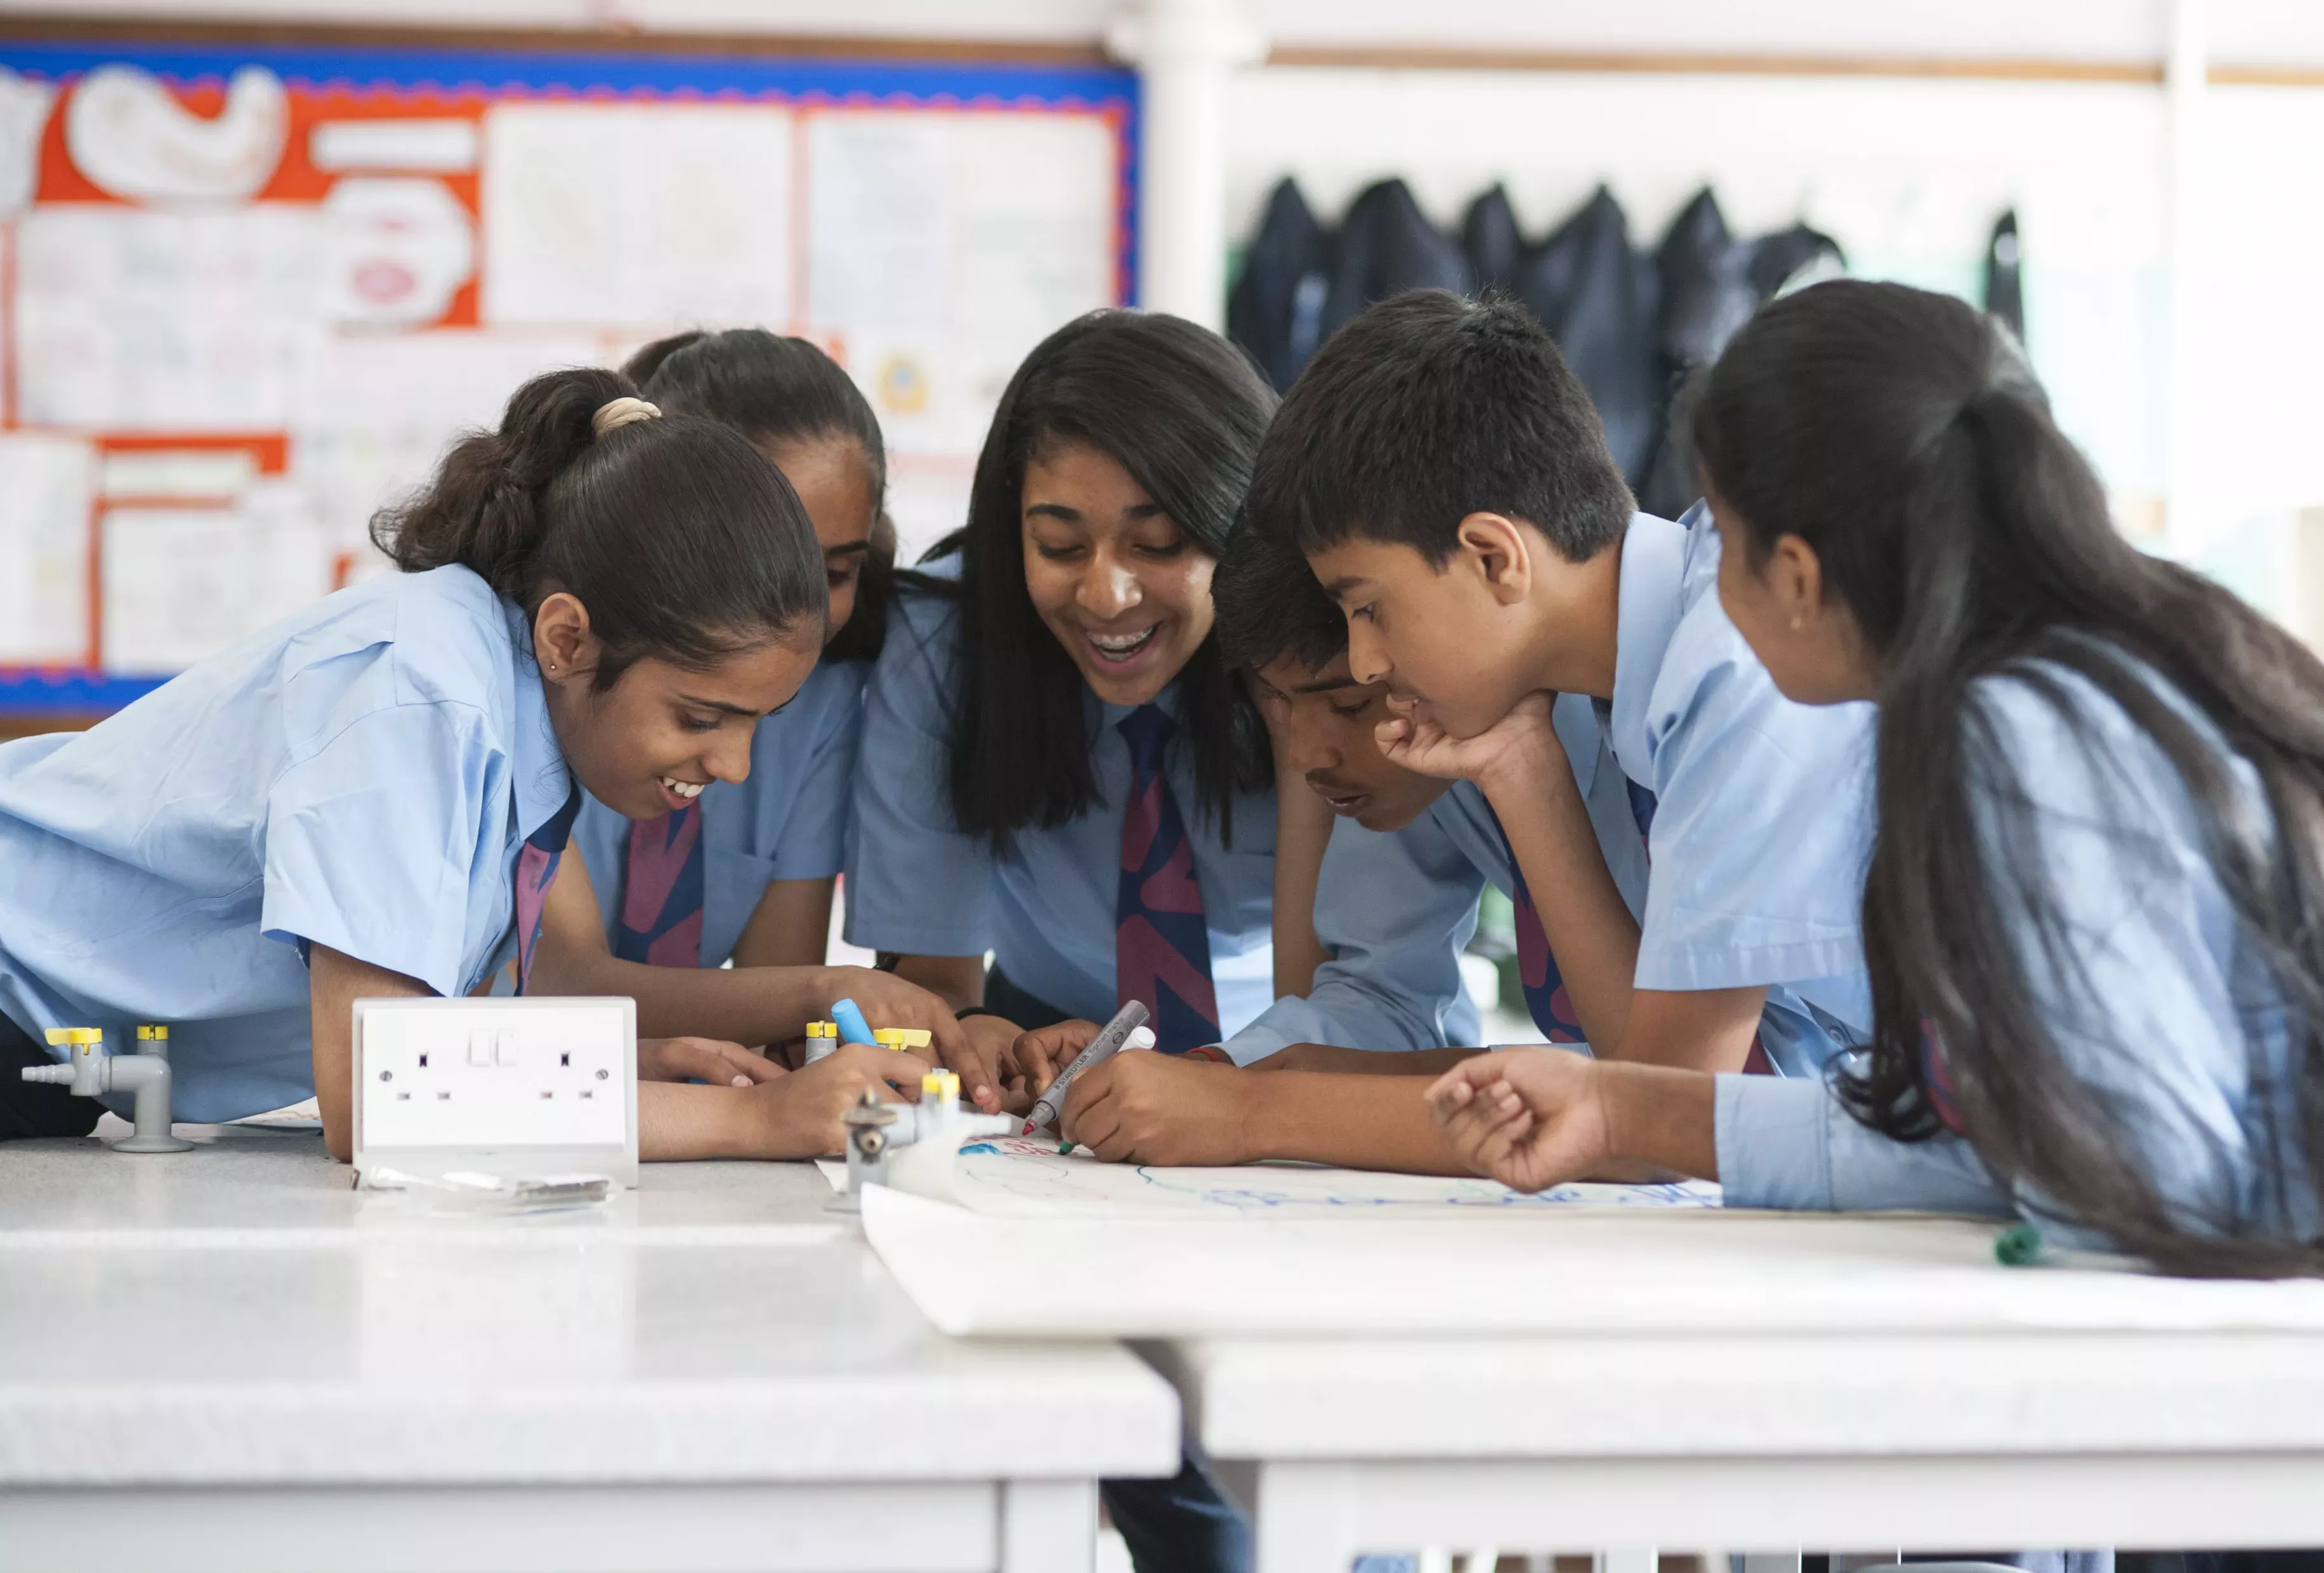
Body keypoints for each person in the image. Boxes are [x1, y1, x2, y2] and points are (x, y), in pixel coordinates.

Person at [1432, 279, 2323, 1277]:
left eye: (1718, 537)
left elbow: (2147, 1176)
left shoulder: (2017, 736)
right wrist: (1616, 1108)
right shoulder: (2088, 673)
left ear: (1800, 576)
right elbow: (2013, 1135)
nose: (1705, 584)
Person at [1034, 289, 1874, 1165]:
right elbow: (1641, 1086)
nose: (1363, 662)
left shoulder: (1734, 662)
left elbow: (1652, 1117)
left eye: (1366, 608)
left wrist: (1255, 1111)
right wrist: (1522, 767)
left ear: (1491, 556)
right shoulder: (1535, 700)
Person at [0, 368, 925, 1157]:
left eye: (758, 722)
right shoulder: (420, 690)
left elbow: (537, 989)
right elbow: (375, 1093)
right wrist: (754, 1117)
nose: (733, 764)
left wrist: (627, 1063)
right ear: (569, 636)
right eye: (700, 716)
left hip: (59, 1056)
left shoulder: (517, 698)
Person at [844, 308, 1278, 1573]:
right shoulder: (946, 641)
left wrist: (1237, 1093)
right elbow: (929, 995)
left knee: (1311, 1450)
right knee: (1154, 1463)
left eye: (1160, 545)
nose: (1105, 593)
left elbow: (1351, 980)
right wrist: (980, 1046)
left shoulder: (1313, 650)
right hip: (1062, 1052)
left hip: (1306, 1058)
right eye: (1056, 544)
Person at [523, 329, 989, 1099]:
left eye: (832, 572)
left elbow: (772, 1004)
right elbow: (563, 978)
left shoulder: (831, 698)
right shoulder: (546, 683)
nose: (791, 617)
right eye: (761, 566)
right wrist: (818, 993)